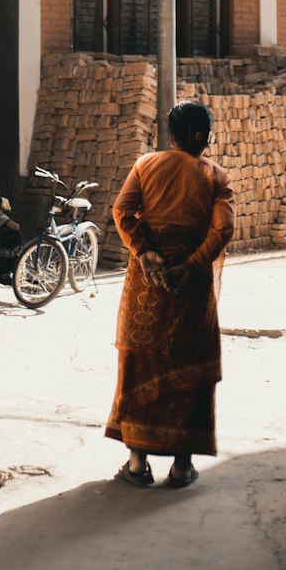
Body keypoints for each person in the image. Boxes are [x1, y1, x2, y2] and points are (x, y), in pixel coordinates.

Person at [105, 101, 236, 489]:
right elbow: (222, 231)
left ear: (173, 134)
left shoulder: (145, 165)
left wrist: (146, 253)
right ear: (203, 136)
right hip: (190, 288)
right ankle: (181, 466)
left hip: (146, 285)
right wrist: (192, 265)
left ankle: (136, 464)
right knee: (189, 366)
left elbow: (123, 211)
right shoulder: (216, 176)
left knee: (140, 363)